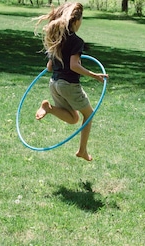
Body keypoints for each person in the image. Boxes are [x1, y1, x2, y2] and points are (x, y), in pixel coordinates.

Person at [34, 2, 108, 161]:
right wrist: (94, 75)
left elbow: (49, 67)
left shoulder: (57, 38)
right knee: (88, 115)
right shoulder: (76, 41)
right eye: (82, 20)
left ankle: (49, 108)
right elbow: (74, 66)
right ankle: (82, 150)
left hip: (54, 84)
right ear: (75, 21)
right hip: (68, 85)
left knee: (73, 118)